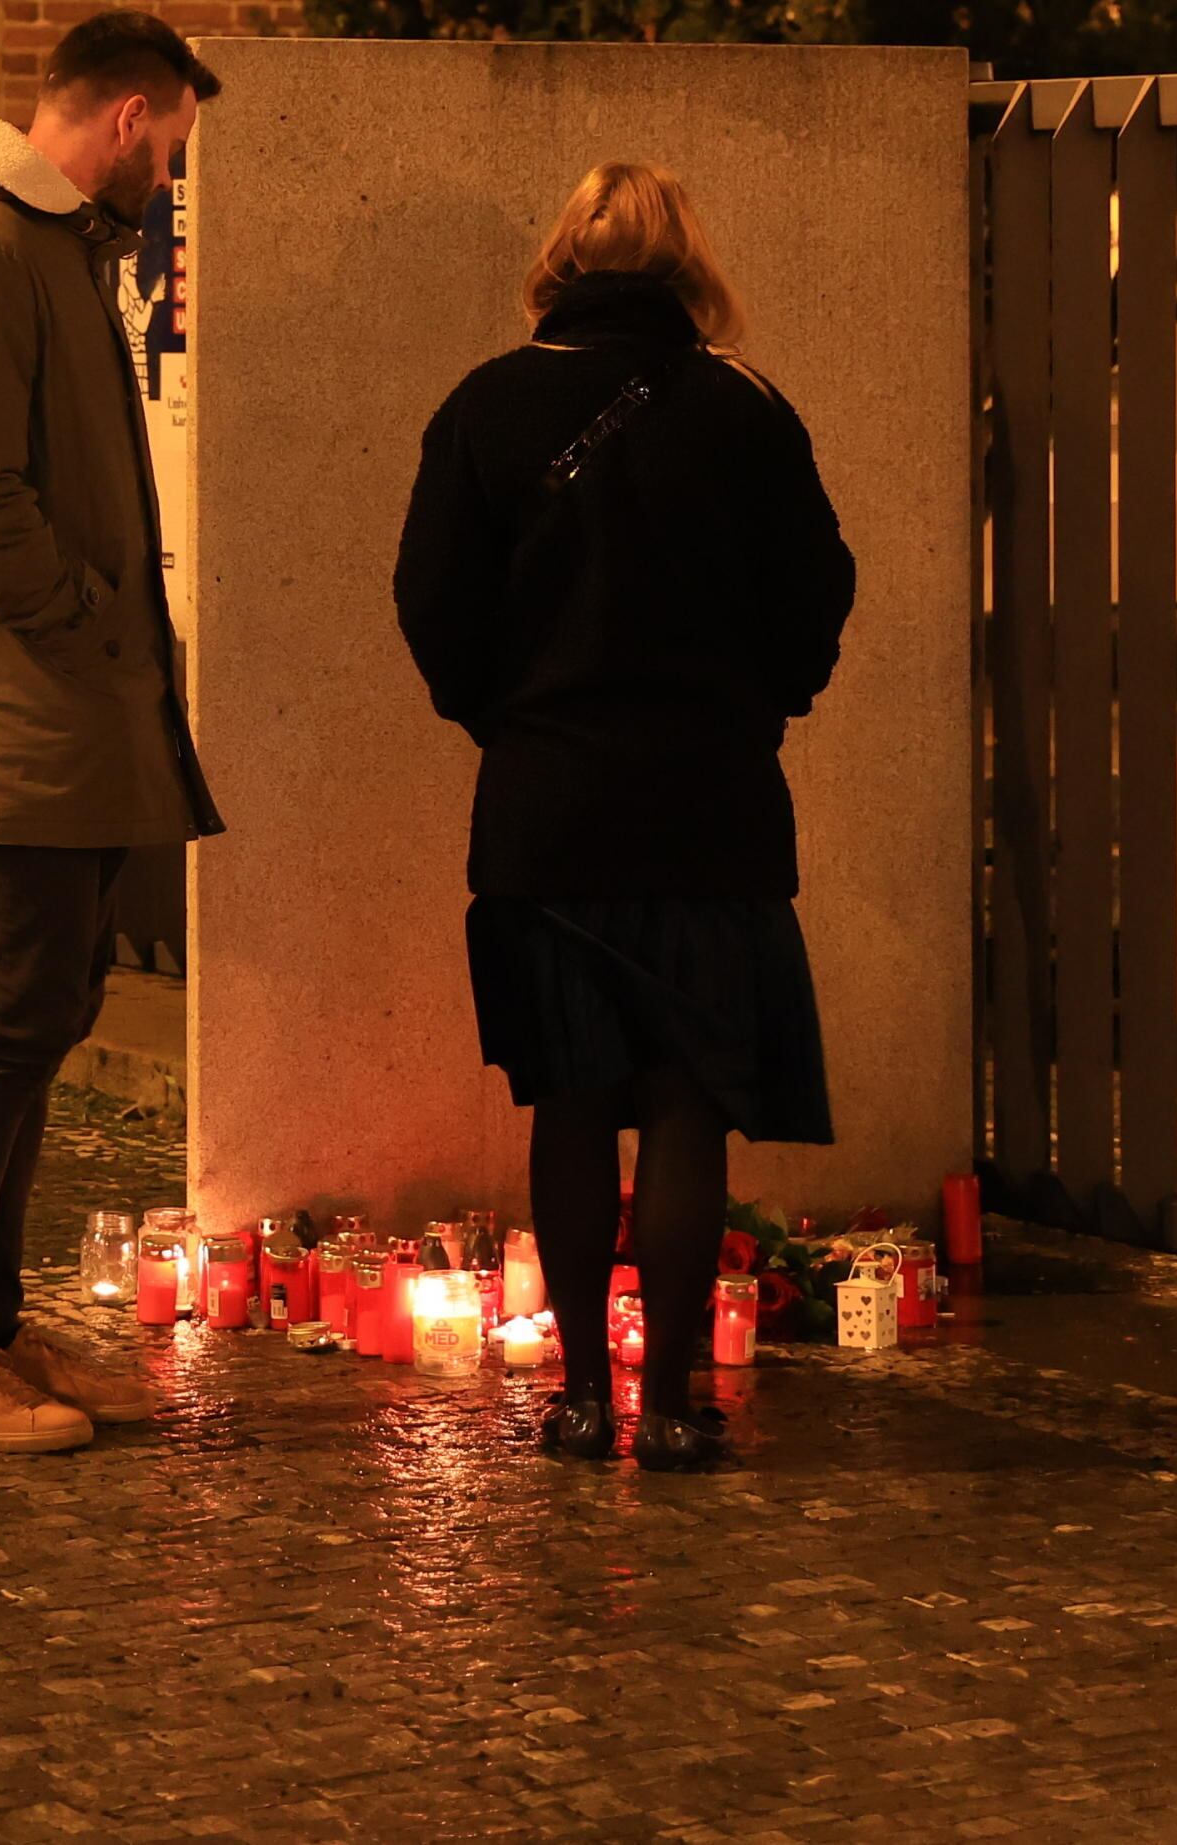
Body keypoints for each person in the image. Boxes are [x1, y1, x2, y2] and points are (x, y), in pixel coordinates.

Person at [391, 162, 854, 1473]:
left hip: (548, 810)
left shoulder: (486, 407)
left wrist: (503, 714)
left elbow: (432, 599)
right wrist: (765, 704)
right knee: (690, 1104)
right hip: (712, 805)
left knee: (576, 1106)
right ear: (687, 268)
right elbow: (819, 591)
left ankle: (584, 1394)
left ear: (560, 264)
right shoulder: (750, 413)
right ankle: (676, 1404)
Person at [0, 9, 228, 1454]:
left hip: (53, 704)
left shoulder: (47, 243)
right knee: (14, 1013)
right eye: (177, 147)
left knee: (54, 998)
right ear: (130, 118)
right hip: (11, 706)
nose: (172, 181)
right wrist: (84, 614)